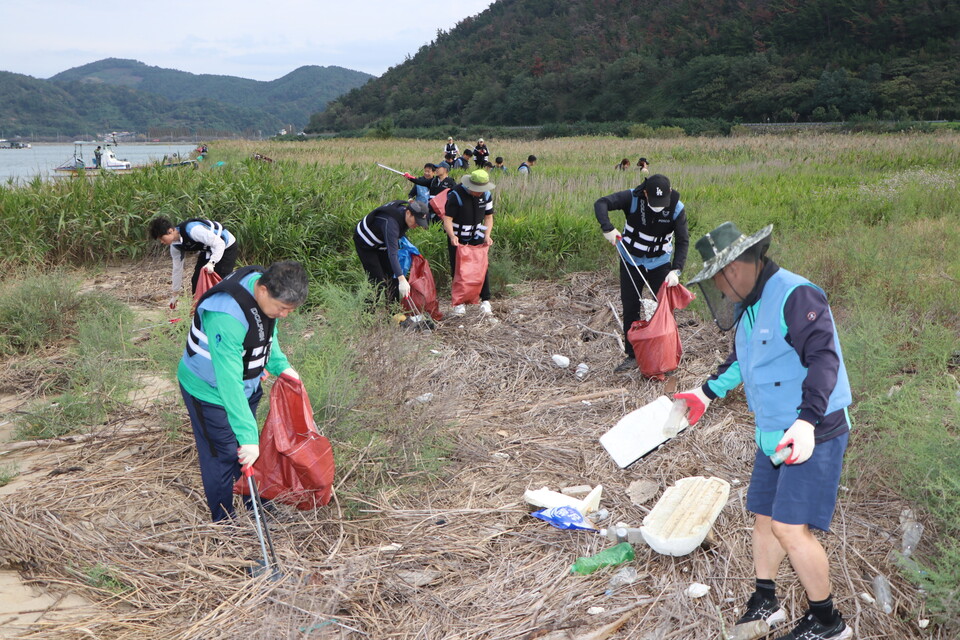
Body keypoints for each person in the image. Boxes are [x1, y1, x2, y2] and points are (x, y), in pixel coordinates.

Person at [675, 222, 853, 640]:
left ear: (735, 268)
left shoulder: (796, 294)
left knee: (790, 527)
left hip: (815, 428)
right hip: (773, 430)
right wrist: (705, 392)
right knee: (765, 517)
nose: (720, 289)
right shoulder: (748, 305)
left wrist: (807, 422)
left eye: (719, 280)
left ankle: (828, 622)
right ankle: (766, 599)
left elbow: (825, 360)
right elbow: (747, 358)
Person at [179, 260, 309, 522]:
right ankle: (224, 519)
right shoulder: (226, 316)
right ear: (262, 290)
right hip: (208, 390)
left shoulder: (266, 289)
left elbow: (267, 335)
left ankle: (256, 504)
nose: (284, 315)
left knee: (248, 449)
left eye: (290, 310)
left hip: (247, 384)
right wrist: (247, 435)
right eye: (282, 308)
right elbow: (228, 382)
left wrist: (281, 366)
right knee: (224, 454)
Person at [593, 174, 689, 372]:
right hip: (631, 260)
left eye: (662, 202)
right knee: (630, 306)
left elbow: (683, 240)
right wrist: (607, 227)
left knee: (663, 309)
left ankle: (666, 356)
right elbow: (601, 203)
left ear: (670, 193)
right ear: (645, 193)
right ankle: (632, 356)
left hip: (660, 263)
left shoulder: (677, 209)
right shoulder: (633, 197)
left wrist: (676, 270)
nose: (658, 206)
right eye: (654, 201)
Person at [149, 216, 239, 309]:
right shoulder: (175, 246)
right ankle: (198, 312)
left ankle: (223, 311)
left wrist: (212, 263)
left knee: (219, 281)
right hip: (207, 250)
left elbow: (219, 243)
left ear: (170, 231)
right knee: (196, 280)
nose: (162, 242)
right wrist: (175, 294)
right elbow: (177, 269)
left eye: (162, 238)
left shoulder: (192, 230)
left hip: (226, 246)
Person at [354, 200, 430, 303]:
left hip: (381, 243)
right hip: (366, 244)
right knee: (378, 282)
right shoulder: (391, 223)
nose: (417, 224)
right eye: (416, 221)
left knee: (393, 278)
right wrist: (402, 280)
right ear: (408, 213)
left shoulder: (405, 217)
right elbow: (392, 253)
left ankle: (394, 315)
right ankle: (366, 316)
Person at [443, 169, 496, 316]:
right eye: (477, 190)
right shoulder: (455, 195)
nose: (480, 192)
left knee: (482, 266)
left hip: (477, 235)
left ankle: (485, 300)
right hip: (458, 238)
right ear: (470, 186)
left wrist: (487, 235)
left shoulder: (486, 195)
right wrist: (452, 236)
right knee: (458, 268)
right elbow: (447, 219)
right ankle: (459, 304)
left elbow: (488, 217)